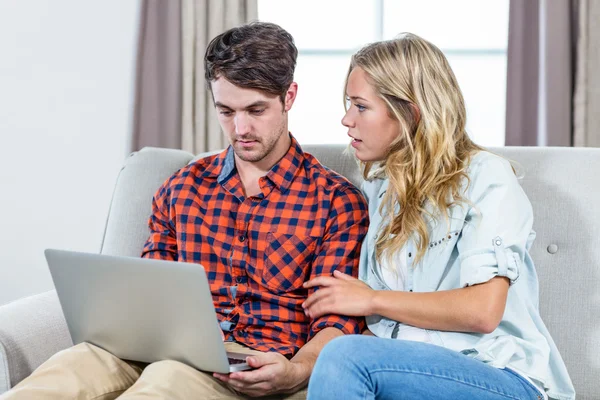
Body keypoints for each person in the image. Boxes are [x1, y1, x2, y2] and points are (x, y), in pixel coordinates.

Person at [1, 22, 368, 400]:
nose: (240, 128)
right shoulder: (181, 188)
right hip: (161, 346)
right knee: (66, 370)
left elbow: (337, 323)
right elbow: (151, 287)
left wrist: (296, 371)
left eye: (255, 110)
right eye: (225, 111)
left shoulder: (335, 202)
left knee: (165, 383)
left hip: (252, 362)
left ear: (288, 96)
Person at [303, 33, 575, 400]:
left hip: (498, 376)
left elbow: (483, 310)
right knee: (342, 357)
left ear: (410, 113)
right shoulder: (380, 192)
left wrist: (371, 300)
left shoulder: (486, 177)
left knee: (345, 357)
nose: (346, 119)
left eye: (360, 106)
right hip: (416, 374)